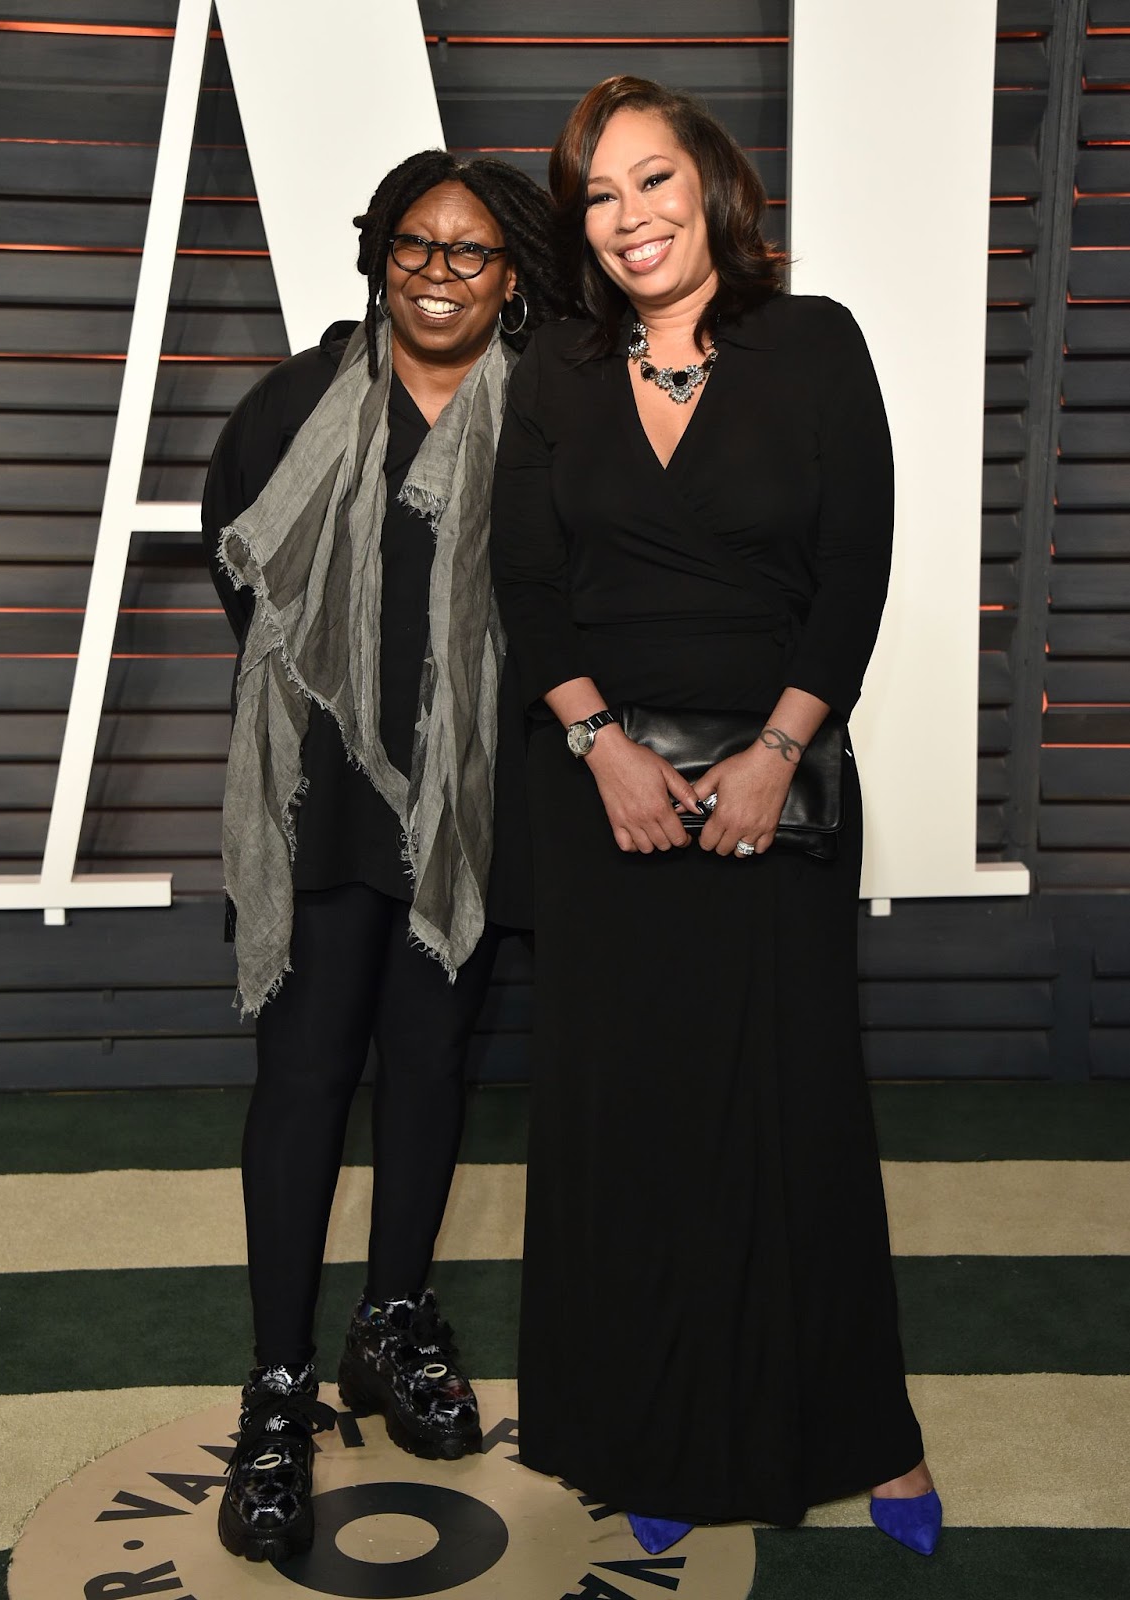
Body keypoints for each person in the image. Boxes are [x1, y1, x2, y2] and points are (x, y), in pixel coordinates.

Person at [490, 77, 941, 1561]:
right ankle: (653, 1429)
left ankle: (865, 1432)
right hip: (601, 798)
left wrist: (773, 752)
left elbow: (854, 571)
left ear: (712, 186)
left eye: (651, 180)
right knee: (637, 1125)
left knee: (793, 1113)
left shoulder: (810, 344)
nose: (627, 217)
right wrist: (601, 748)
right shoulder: (554, 365)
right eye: (598, 196)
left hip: (778, 787)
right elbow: (528, 584)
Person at [201, 149, 565, 1565]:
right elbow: (248, 585)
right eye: (414, 243)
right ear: (376, 253)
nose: (435, 271)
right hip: (319, 809)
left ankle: (391, 1321)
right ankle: (281, 1392)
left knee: (431, 1066)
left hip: (472, 820)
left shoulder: (547, 418)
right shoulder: (291, 402)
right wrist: (350, 726)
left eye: (469, 251)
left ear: (514, 273)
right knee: (302, 1080)